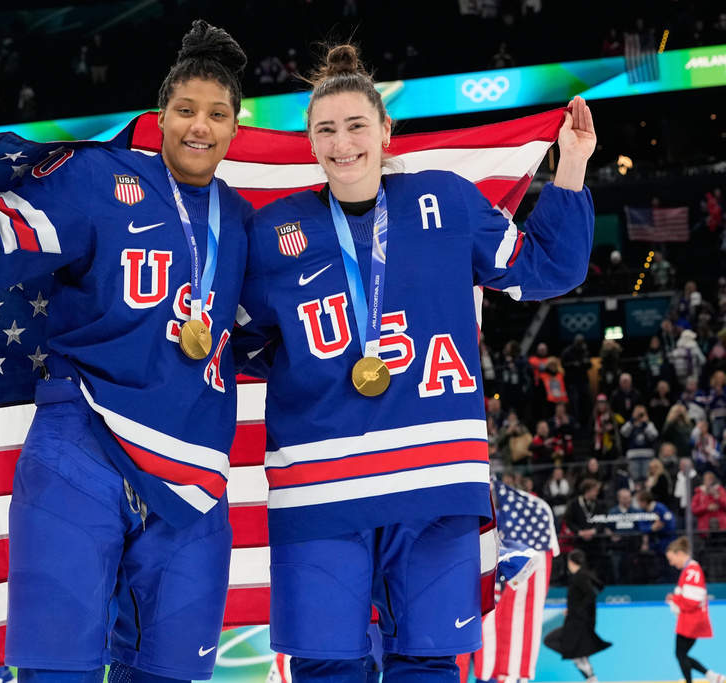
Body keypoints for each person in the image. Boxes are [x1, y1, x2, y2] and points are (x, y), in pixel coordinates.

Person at [0, 21, 250, 682]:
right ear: (161, 114)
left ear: (236, 127)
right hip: (81, 447)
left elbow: (274, 330)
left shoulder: (239, 219)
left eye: (216, 114)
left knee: (172, 674)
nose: (198, 127)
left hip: (194, 472)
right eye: (184, 110)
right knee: (57, 673)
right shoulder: (96, 180)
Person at [235, 43, 595, 682]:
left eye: (355, 127)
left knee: (427, 663)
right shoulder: (273, 233)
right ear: (310, 140)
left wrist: (571, 164)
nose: (342, 143)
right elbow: (248, 346)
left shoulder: (448, 203)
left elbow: (545, 268)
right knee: (326, 667)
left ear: (384, 131)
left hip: (432, 476)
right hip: (320, 484)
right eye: (326, 129)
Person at [542, 549, 611, 682]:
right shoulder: (582, 575)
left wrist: (576, 610)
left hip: (577, 623)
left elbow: (590, 594)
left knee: (556, 642)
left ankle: (589, 674)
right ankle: (589, 675)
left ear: (570, 562)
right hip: (576, 621)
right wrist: (573, 609)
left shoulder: (580, 576)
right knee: (571, 649)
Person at [665, 538, 725, 683]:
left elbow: (692, 600)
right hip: (692, 619)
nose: (671, 564)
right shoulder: (690, 569)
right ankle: (712, 676)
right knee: (681, 654)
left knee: (680, 654)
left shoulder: (692, 570)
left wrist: (675, 599)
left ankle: (703, 678)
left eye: (672, 559)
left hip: (691, 620)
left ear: (679, 553)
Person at [620, 404, 659, 484]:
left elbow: (654, 435)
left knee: (646, 479)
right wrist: (632, 420)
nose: (639, 416)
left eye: (642, 413)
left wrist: (645, 423)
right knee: (634, 480)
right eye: (638, 413)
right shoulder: (630, 425)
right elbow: (623, 432)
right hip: (633, 457)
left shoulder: (649, 425)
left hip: (647, 457)